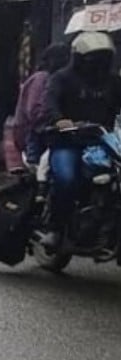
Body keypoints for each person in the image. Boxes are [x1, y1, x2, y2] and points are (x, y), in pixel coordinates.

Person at [42, 32, 121, 246]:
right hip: (68, 142)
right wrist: (60, 121)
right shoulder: (62, 78)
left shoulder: (113, 81)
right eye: (93, 58)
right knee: (67, 180)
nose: (97, 63)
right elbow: (49, 103)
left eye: (102, 58)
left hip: (104, 143)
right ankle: (55, 228)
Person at [12, 44, 70, 166]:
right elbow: (34, 112)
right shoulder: (41, 78)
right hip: (32, 133)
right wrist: (56, 119)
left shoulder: (59, 80)